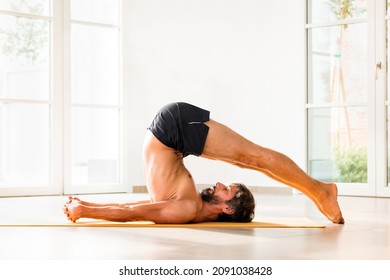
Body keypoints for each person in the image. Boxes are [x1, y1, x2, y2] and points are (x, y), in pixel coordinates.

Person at [64, 102, 344, 224]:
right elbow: (133, 209)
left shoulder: (185, 208)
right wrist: (84, 208)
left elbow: (132, 210)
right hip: (173, 129)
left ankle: (321, 192)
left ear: (226, 208)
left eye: (228, 190)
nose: (219, 184)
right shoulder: (186, 205)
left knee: (253, 160)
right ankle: (320, 191)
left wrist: (86, 208)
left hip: (172, 130)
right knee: (253, 159)